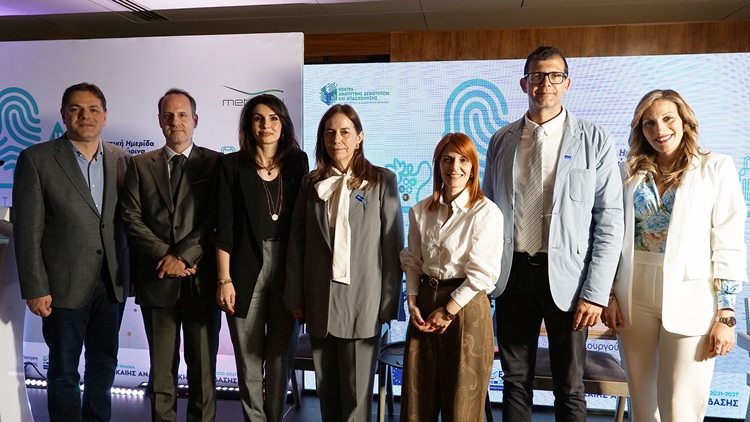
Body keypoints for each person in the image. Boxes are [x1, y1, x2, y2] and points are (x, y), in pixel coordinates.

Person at [482, 46, 624, 422]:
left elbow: (610, 221)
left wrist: (596, 293)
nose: (545, 83)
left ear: (567, 84)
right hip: (511, 275)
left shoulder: (595, 139)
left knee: (569, 385)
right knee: (514, 381)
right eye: (537, 75)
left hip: (569, 280)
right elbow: (487, 216)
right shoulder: (501, 140)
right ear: (524, 83)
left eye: (554, 76)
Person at [602, 89, 746, 421]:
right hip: (633, 294)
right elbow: (609, 237)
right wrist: (609, 294)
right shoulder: (627, 172)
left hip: (692, 296)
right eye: (649, 123)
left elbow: (728, 242)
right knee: (642, 405)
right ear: (641, 129)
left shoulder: (715, 167)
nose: (659, 129)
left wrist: (725, 314)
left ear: (684, 121)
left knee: (681, 406)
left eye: (668, 119)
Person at [13, 82, 131, 422]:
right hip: (61, 285)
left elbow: (129, 224)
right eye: (76, 109)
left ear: (104, 116)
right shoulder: (37, 159)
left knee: (104, 363)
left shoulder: (123, 160)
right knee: (64, 370)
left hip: (112, 282)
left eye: (93, 109)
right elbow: (27, 231)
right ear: (64, 115)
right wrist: (35, 287)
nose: (85, 116)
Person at [284, 104, 404, 422]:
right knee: (328, 395)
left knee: (356, 398)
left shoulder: (382, 181)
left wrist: (389, 303)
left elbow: (393, 247)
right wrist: (295, 296)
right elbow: (297, 244)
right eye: (330, 132)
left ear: (359, 137)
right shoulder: (311, 183)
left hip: (363, 302)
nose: (336, 139)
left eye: (345, 132)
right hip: (320, 301)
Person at [120, 88, 221, 422]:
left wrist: (185, 256)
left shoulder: (217, 163)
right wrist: (167, 256)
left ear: (195, 120)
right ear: (160, 120)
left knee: (203, 373)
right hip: (157, 280)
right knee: (161, 374)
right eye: (168, 115)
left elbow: (216, 218)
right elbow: (130, 218)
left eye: (182, 115)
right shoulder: (139, 164)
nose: (175, 121)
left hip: (201, 283)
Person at [213, 94, 308, 422]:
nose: (266, 125)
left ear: (283, 124)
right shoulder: (231, 166)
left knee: (281, 358)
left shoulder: (298, 163)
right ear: (248, 126)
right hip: (244, 269)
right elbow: (223, 227)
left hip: (288, 268)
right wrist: (224, 279)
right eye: (258, 118)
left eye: (273, 118)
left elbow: (304, 224)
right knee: (248, 359)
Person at [399, 132, 502, 422]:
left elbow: (483, 274)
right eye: (447, 159)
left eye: (462, 160)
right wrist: (412, 303)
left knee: (462, 408)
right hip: (424, 306)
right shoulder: (420, 210)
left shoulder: (486, 212)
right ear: (437, 165)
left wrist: (448, 311)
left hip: (466, 307)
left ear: (473, 168)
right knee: (417, 403)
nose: (454, 167)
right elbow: (412, 261)